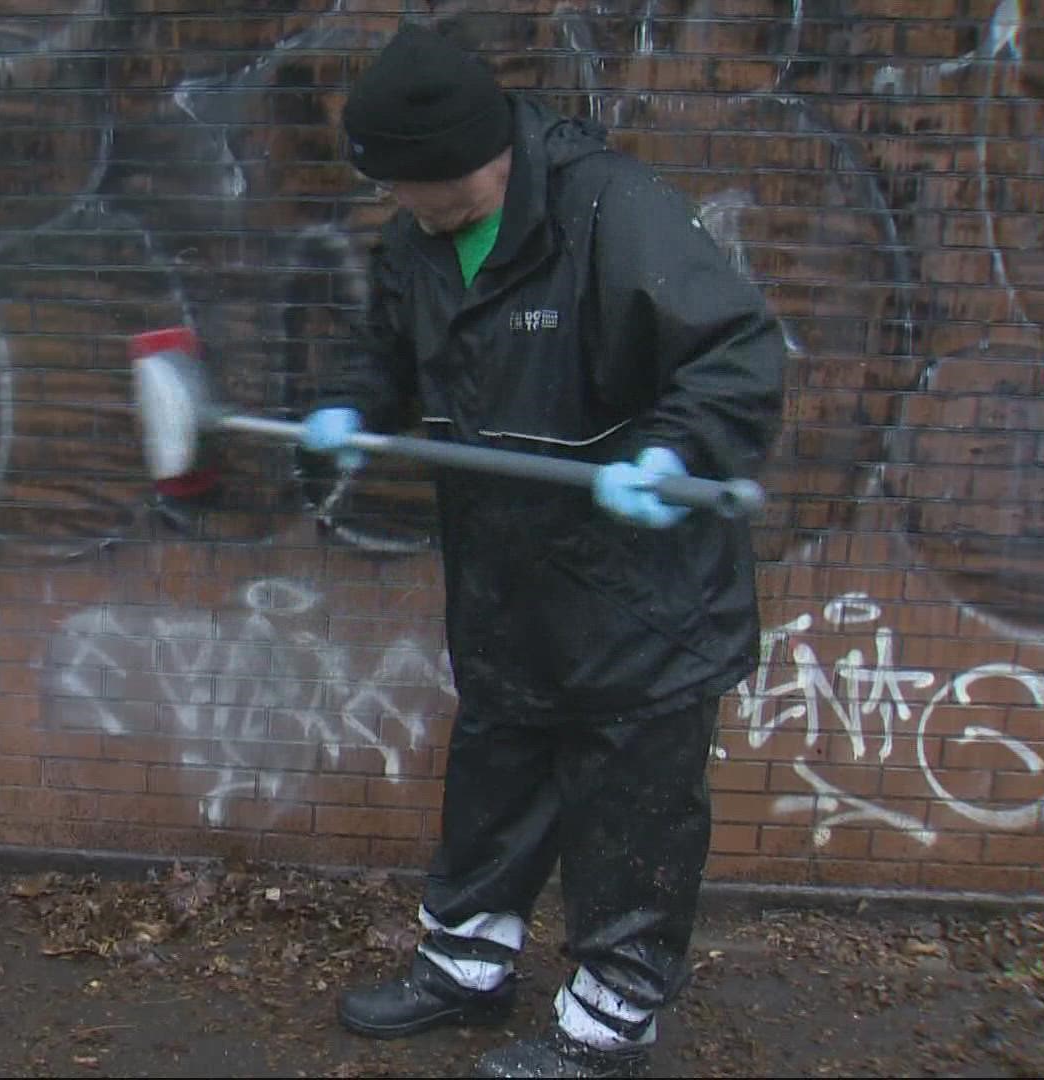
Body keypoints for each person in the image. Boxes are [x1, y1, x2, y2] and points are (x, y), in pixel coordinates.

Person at [303, 24, 786, 1080]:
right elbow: (384, 347)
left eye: (434, 186)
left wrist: (675, 452)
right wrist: (348, 404)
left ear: (489, 149)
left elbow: (736, 349)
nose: (421, 209)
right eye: (404, 191)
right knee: (498, 777)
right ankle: (467, 966)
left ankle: (610, 1022)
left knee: (631, 810)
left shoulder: (611, 211)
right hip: (507, 575)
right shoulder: (418, 241)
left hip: (640, 586)